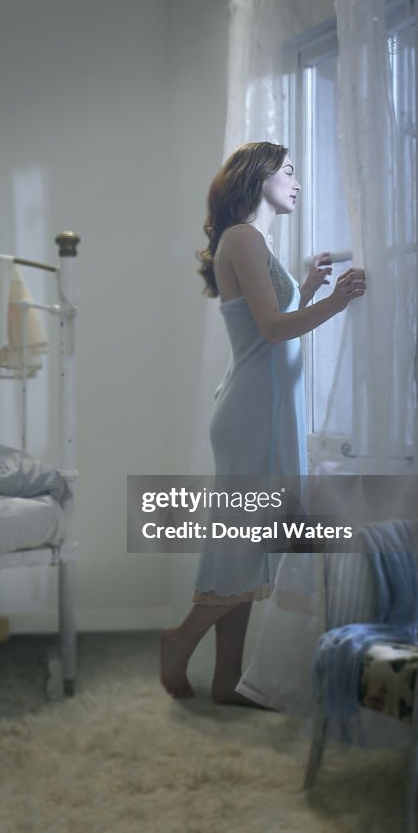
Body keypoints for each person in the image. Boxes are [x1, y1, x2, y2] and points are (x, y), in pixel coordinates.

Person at [160, 141, 366, 703]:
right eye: (289, 172)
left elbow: (265, 324)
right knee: (241, 546)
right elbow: (274, 331)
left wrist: (309, 287)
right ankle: (179, 643)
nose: (298, 182)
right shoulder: (244, 238)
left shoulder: (253, 242)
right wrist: (337, 303)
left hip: (263, 408)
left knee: (246, 548)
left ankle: (228, 680)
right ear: (259, 178)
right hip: (253, 413)